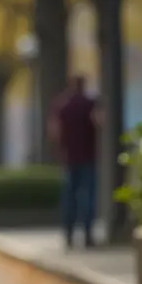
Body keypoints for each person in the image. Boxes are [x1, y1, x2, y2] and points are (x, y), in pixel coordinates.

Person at [48, 75, 100, 248]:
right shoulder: (89, 104)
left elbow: (55, 131)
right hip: (88, 157)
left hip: (69, 157)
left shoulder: (62, 105)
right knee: (88, 197)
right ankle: (87, 234)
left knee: (70, 197)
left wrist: (60, 149)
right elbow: (99, 122)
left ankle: (69, 234)